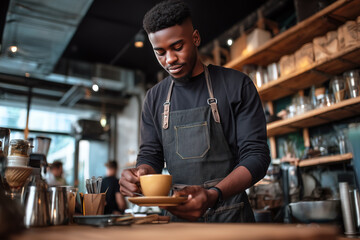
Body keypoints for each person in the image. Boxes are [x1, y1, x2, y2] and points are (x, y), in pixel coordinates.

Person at [120, 0, 270, 222]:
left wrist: (213, 195)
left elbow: (256, 157)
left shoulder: (236, 85)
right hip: (178, 220)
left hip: (232, 219)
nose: (170, 59)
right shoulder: (154, 98)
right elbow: (150, 155)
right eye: (160, 52)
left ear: (196, 38)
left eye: (177, 47)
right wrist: (139, 174)